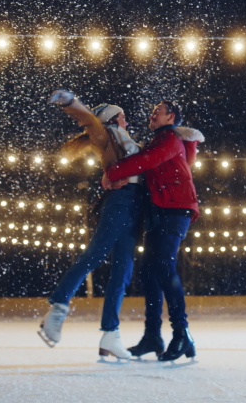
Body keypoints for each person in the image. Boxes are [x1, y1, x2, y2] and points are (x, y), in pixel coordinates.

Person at [39, 89, 146, 359]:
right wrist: (70, 102)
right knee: (96, 253)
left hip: (133, 206)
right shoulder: (106, 135)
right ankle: (59, 305)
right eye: (122, 116)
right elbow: (90, 121)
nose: (127, 121)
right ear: (111, 119)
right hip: (120, 202)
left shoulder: (126, 140)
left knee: (123, 271)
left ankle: (111, 334)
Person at [102, 100, 204, 362]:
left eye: (157, 110)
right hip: (161, 210)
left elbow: (146, 161)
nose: (152, 113)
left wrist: (111, 172)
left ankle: (181, 333)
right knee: (149, 273)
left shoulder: (168, 138)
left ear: (171, 116)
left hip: (175, 208)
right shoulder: (161, 138)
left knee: (163, 269)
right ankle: (152, 336)